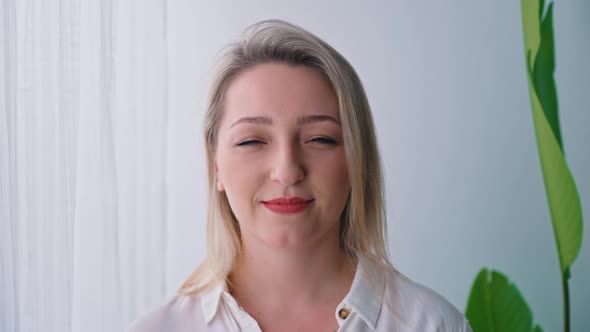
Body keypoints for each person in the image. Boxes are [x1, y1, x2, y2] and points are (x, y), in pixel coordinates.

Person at [128, 19, 472, 332]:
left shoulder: (433, 324)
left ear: (357, 160)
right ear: (215, 164)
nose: (288, 170)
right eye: (251, 141)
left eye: (320, 139)